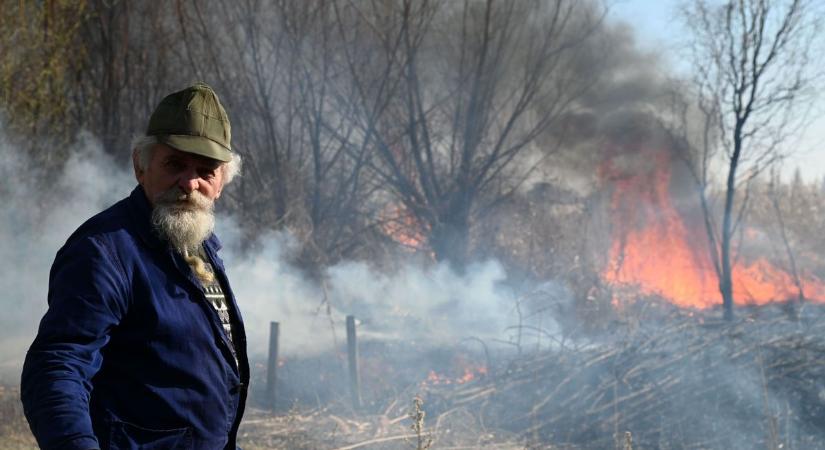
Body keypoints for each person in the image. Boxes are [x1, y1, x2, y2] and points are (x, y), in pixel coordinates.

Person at [21, 83, 250, 450]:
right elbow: (57, 366)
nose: (189, 183)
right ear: (140, 165)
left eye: (205, 171)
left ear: (220, 182)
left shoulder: (197, 242)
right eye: (174, 164)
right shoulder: (104, 251)